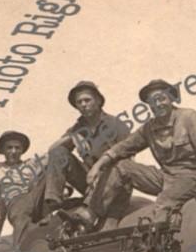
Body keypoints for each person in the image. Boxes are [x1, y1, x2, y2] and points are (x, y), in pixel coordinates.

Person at [81, 78, 196, 227]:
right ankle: (91, 213)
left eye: (162, 99)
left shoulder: (189, 117)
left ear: (171, 98)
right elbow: (122, 147)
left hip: (192, 177)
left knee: (164, 202)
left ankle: (157, 237)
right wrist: (97, 166)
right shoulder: (149, 128)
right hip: (165, 176)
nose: (158, 104)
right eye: (153, 102)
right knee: (121, 166)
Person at [20, 81, 130, 225]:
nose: (83, 104)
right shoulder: (78, 127)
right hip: (89, 182)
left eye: (87, 100)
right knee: (59, 153)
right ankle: (52, 205)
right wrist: (72, 137)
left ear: (98, 101)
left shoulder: (116, 124)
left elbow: (128, 162)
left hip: (113, 183)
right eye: (79, 102)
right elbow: (53, 150)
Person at [0, 130, 37, 235]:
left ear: (22, 150)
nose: (14, 151)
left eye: (17, 148)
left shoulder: (31, 163)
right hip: (16, 205)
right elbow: (0, 203)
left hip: (33, 201)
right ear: (3, 150)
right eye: (9, 147)